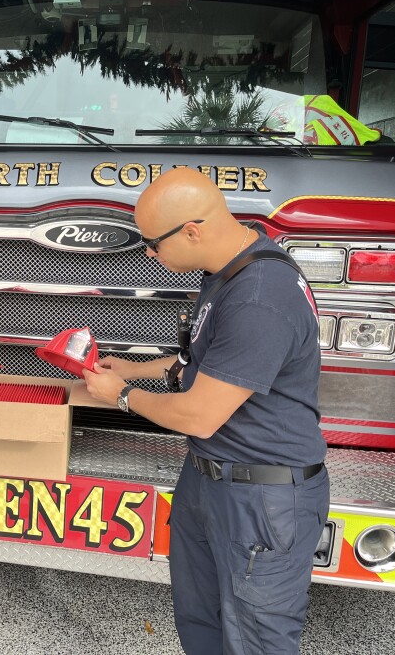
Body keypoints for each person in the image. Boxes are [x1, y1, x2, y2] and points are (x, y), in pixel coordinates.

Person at [83, 167, 329, 654]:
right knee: (202, 624)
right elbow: (200, 356)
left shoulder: (260, 297)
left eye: (153, 243)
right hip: (211, 480)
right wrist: (134, 369)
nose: (150, 254)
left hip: (262, 499)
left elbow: (200, 415)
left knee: (256, 640)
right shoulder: (229, 269)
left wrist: (121, 396)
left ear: (192, 230)